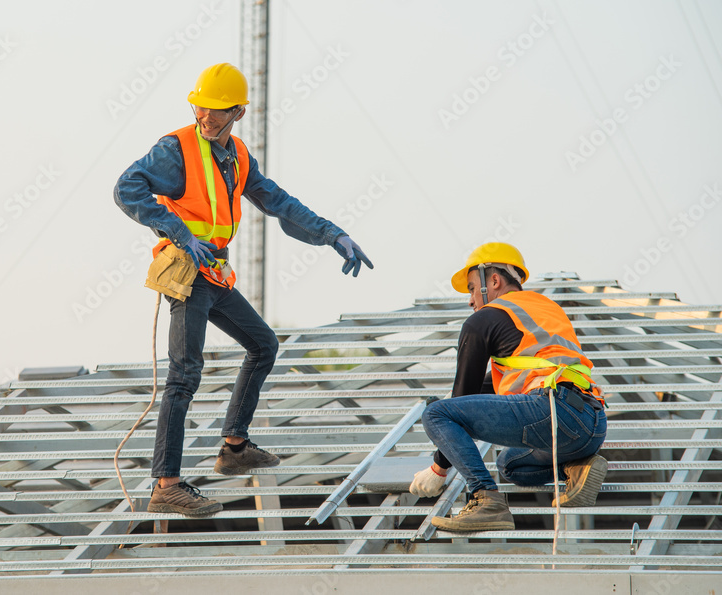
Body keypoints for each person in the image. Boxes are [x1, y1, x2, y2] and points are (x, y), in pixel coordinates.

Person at [114, 63, 373, 516]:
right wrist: (175, 231)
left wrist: (332, 234)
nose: (205, 117)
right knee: (184, 375)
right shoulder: (176, 149)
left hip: (213, 273)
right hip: (186, 271)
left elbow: (278, 201)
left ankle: (234, 447)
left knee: (263, 344)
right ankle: (166, 484)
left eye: (216, 111)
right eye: (200, 107)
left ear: (238, 112)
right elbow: (126, 187)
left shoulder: (236, 156)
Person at [409, 242, 607, 532]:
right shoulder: (546, 308)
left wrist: (439, 467)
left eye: (472, 288)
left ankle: (485, 498)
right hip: (591, 421)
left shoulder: (484, 319)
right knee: (510, 465)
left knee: (437, 414)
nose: (471, 300)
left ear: (494, 281)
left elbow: (464, 392)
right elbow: (510, 378)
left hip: (553, 409)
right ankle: (576, 468)